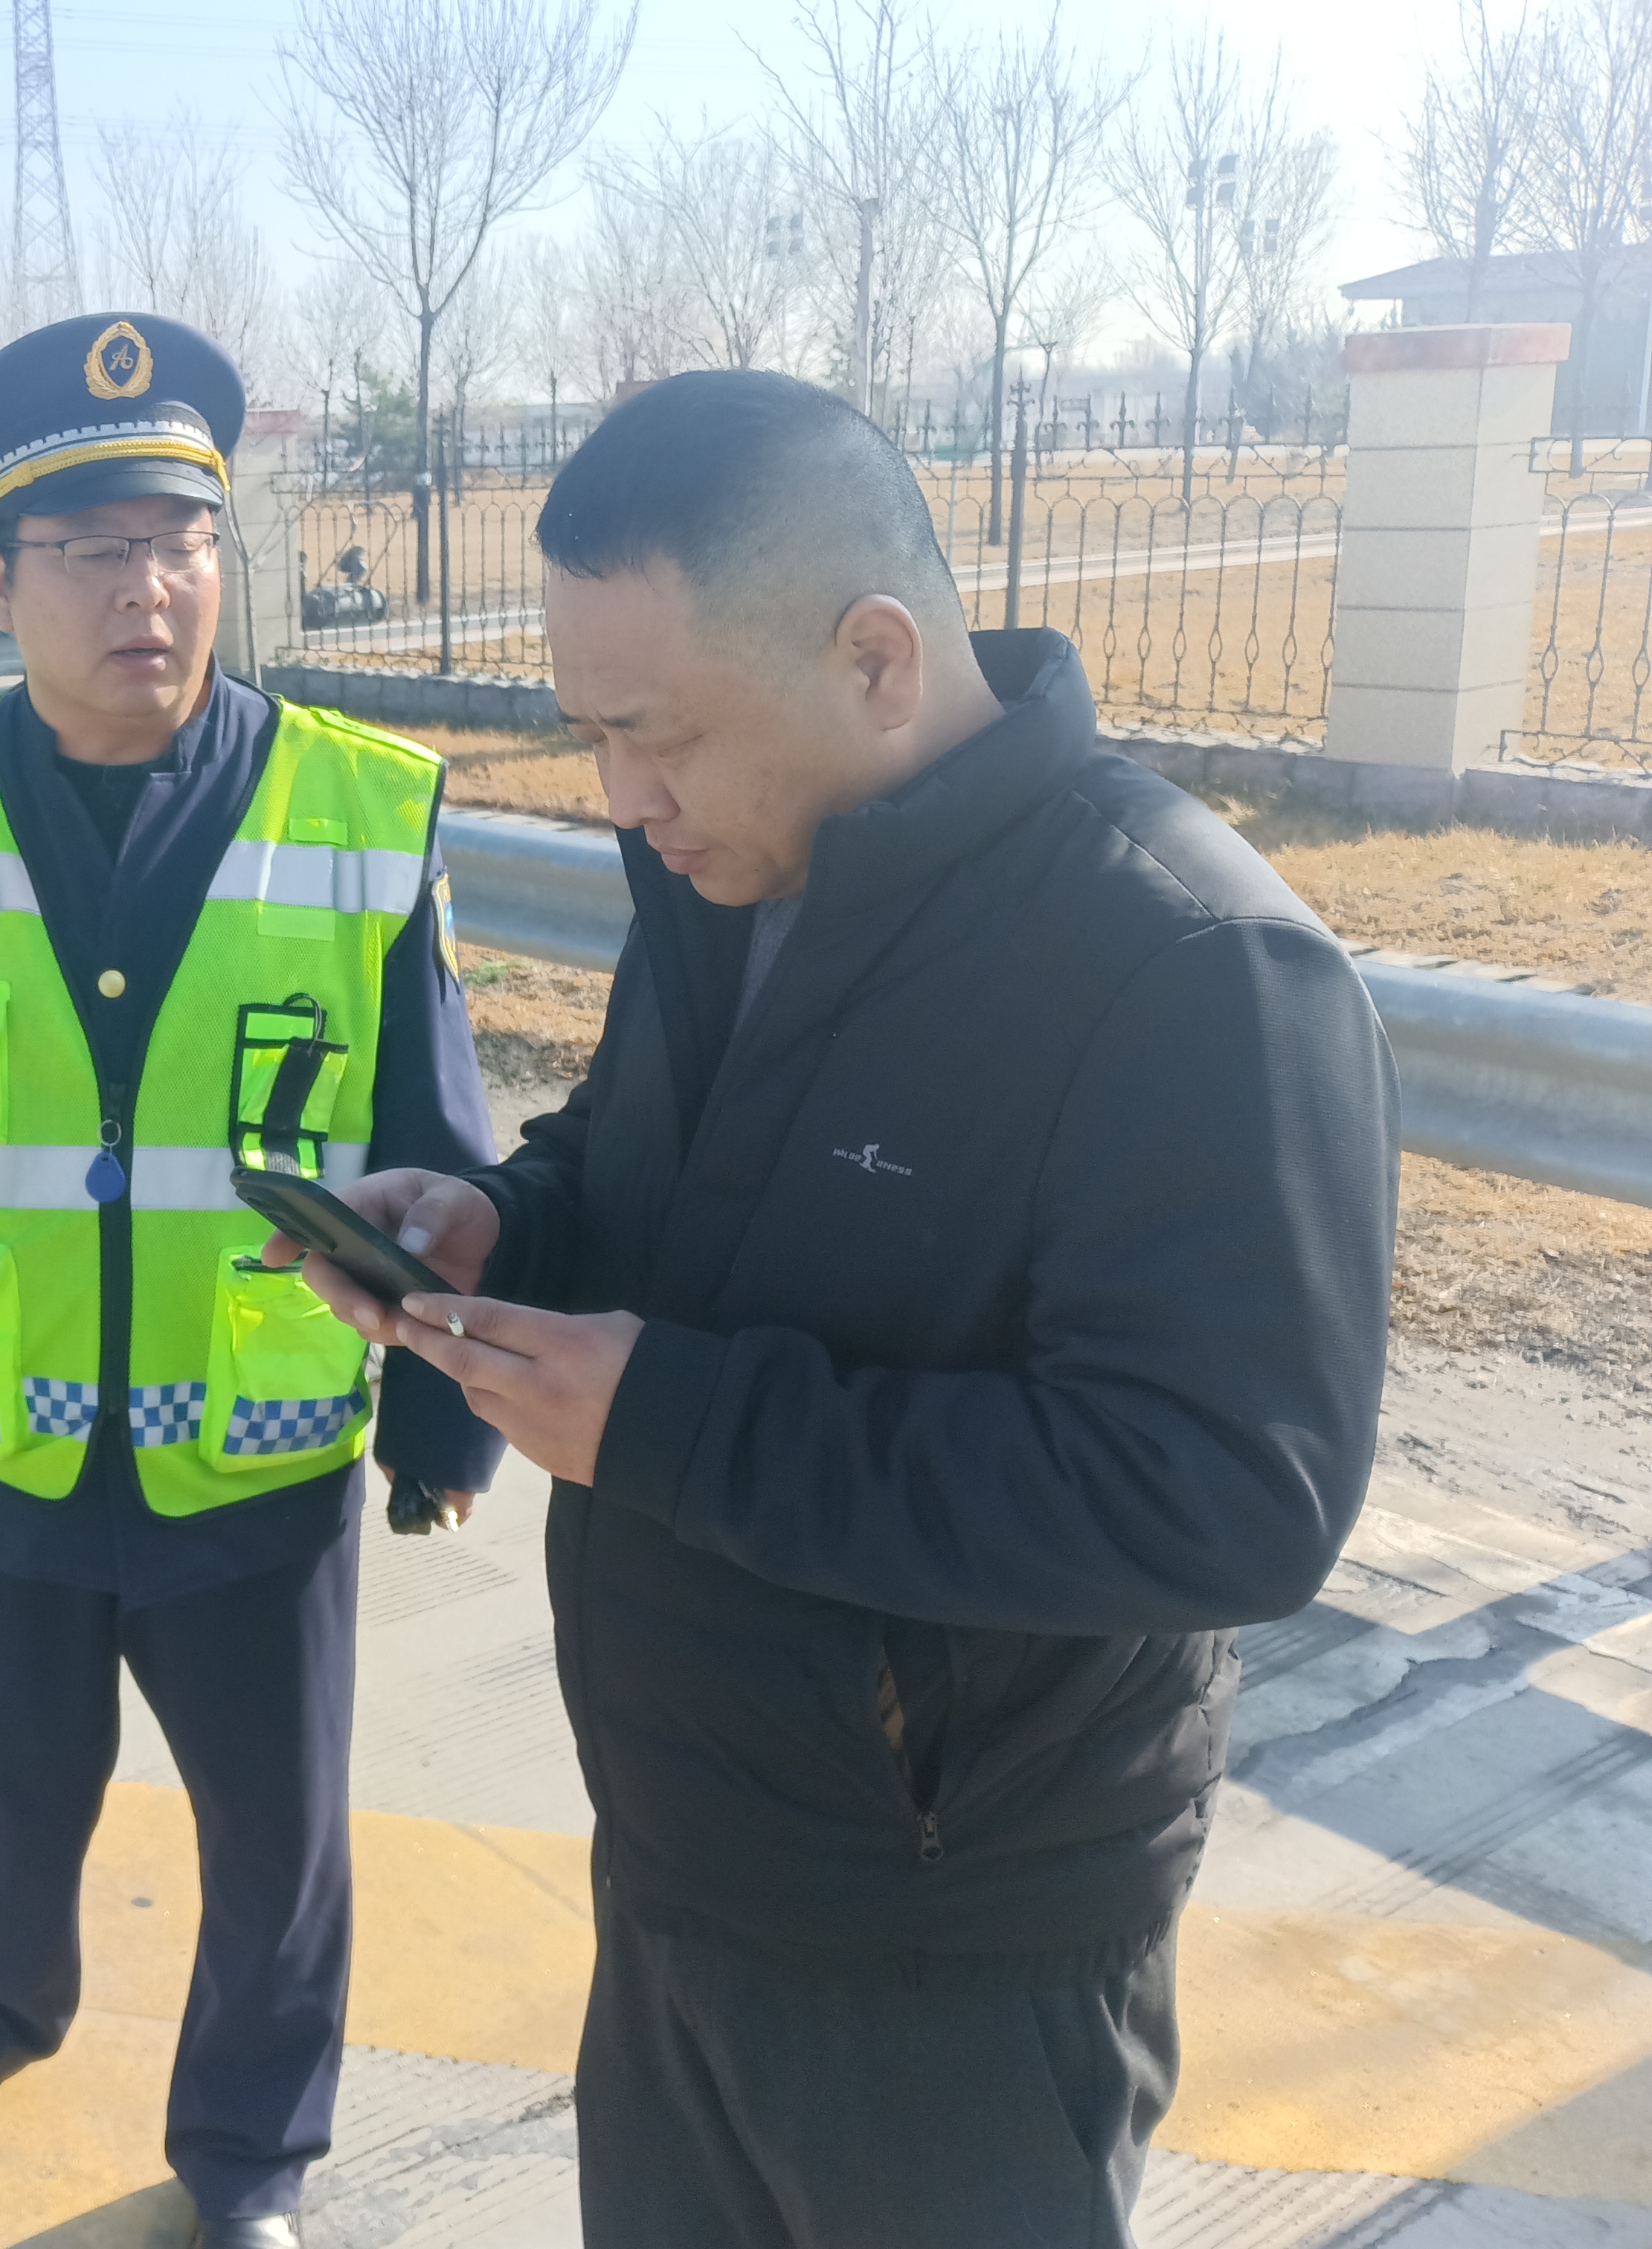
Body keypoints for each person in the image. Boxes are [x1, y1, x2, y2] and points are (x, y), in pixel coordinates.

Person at [292, 370, 1400, 2248]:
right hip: (681, 1854)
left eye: (656, 737)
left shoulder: (1185, 965)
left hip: (953, 1949)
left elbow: (1229, 1495)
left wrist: (671, 1425)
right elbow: (650, 1168)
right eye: (592, 736)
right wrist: (503, 1226)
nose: (623, 800)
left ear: (877, 660)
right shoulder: (729, 870)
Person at [0, 312, 504, 2248]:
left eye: (179, 542)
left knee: (276, 1834)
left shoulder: (358, 811)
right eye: (90, 551)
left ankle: (251, 2155)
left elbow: (440, 1142)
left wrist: (438, 1416)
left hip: (252, 1446)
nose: (147, 588)